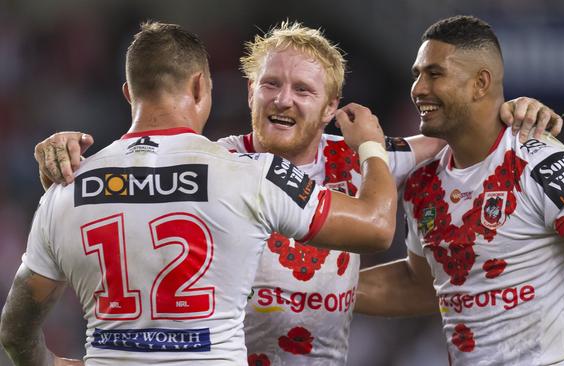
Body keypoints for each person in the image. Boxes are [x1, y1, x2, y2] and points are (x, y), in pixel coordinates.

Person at [31, 21, 564, 365]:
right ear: (247, 91)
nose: (283, 99)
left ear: (331, 107)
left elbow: (461, 131)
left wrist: (514, 111)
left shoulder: (359, 153)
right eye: (270, 84)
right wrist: (61, 146)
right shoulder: (221, 164)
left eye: (303, 89)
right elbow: (142, 167)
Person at [0, 21, 401, 366]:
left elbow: (15, 331)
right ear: (200, 86)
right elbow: (378, 226)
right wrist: (370, 146)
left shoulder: (65, 189)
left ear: (128, 93)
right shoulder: (252, 175)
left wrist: (52, 362)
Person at [355, 15, 564, 366]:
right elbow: (421, 284)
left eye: (434, 74)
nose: (418, 88)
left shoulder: (544, 164)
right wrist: (315, 286)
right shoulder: (422, 183)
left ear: (481, 83)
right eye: (417, 74)